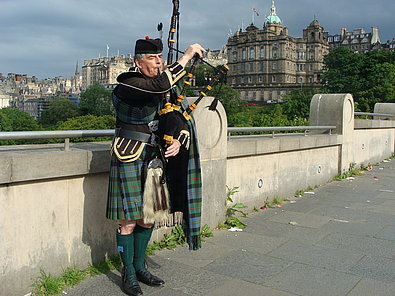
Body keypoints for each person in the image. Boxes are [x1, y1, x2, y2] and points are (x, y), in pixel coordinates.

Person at [106, 37, 205, 296]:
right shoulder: (128, 83)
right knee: (128, 221)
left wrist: (179, 138)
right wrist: (186, 56)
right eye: (152, 58)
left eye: (160, 58)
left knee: (149, 216)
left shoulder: (161, 88)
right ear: (138, 62)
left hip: (154, 155)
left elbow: (177, 116)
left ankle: (140, 267)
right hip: (128, 153)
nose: (158, 62)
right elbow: (158, 87)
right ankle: (127, 272)